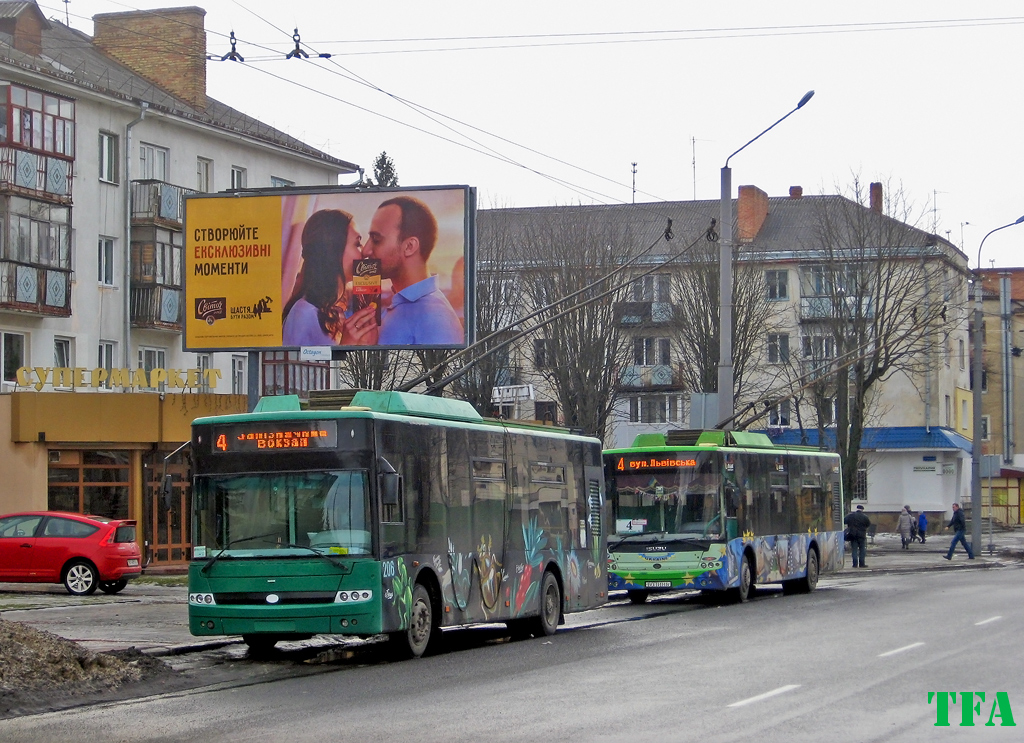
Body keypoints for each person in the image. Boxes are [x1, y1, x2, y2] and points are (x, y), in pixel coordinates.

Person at [362, 196, 464, 345]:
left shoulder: (434, 316)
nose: (366, 250)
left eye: (376, 240)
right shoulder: (405, 304)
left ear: (409, 247)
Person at [282, 210, 377, 347]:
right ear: (333, 251)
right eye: (357, 244)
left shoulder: (335, 313)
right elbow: (296, 365)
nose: (364, 252)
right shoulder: (303, 313)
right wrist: (346, 346)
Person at [844, 504, 871, 568]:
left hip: (853, 535)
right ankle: (862, 564)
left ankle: (855, 564)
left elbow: (844, 521)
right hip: (862, 535)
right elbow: (868, 524)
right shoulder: (865, 517)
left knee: (854, 550)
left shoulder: (851, 516)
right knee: (862, 549)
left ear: (857, 509)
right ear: (862, 510)